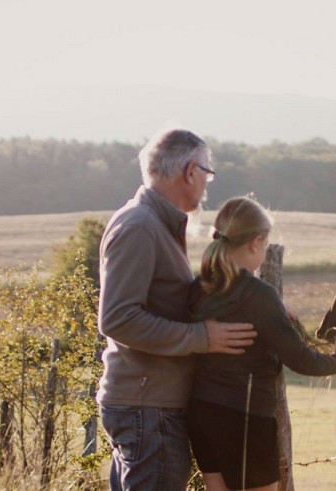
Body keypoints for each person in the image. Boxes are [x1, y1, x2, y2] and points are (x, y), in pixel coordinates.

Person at [97, 128, 258, 490]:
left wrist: (257, 301)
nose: (207, 183)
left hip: (148, 404)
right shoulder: (140, 226)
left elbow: (171, 298)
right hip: (148, 408)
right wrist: (202, 337)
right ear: (189, 171)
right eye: (207, 173)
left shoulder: (156, 224)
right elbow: (118, 319)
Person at [187, 196, 336, 491]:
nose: (263, 253)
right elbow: (301, 359)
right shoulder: (258, 294)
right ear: (255, 242)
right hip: (246, 419)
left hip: (201, 414)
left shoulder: (198, 287)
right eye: (264, 246)